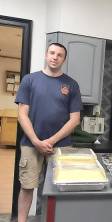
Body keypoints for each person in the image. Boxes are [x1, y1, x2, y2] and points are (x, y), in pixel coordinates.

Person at [15, 43, 82, 222]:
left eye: (59, 55)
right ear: (46, 55)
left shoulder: (72, 84)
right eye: (52, 53)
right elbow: (22, 114)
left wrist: (50, 141)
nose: (55, 57)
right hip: (31, 145)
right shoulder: (30, 80)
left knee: (57, 189)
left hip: (60, 147)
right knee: (27, 187)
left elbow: (75, 119)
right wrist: (37, 141)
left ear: (64, 59)